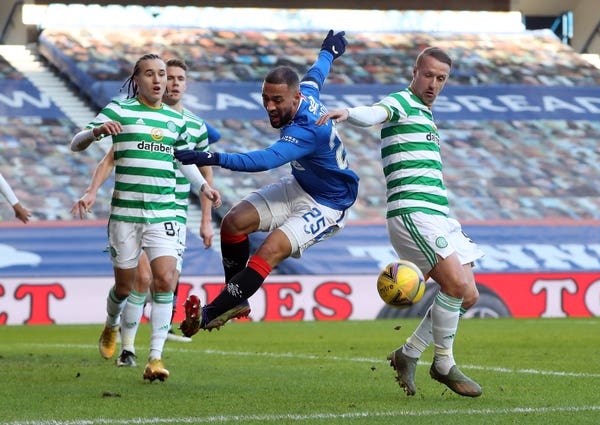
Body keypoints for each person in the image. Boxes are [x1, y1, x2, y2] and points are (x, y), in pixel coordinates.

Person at [316, 47, 483, 398]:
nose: (433, 83)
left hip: (440, 216)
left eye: (441, 78)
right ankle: (443, 363)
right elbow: (377, 111)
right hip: (413, 214)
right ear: (415, 71)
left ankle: (407, 353)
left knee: (467, 295)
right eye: (428, 75)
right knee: (454, 286)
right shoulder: (403, 102)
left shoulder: (425, 114)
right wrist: (347, 112)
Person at [174, 30, 358, 337]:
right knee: (233, 223)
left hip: (328, 204)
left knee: (269, 250)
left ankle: (211, 313)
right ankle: (237, 299)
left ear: (295, 97)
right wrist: (328, 52)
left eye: (277, 100)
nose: (270, 106)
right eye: (265, 98)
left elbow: (264, 161)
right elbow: (316, 74)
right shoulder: (307, 93)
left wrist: (211, 157)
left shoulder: (307, 130)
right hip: (301, 183)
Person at [69, 53, 218, 382]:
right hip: (125, 215)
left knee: (164, 280)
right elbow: (75, 143)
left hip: (164, 212)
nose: (158, 80)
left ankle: (155, 357)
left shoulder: (176, 121)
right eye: (149, 74)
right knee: (125, 287)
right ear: (136, 79)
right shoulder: (119, 110)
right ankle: (111, 325)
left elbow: (184, 162)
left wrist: (204, 187)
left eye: (161, 74)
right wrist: (95, 133)